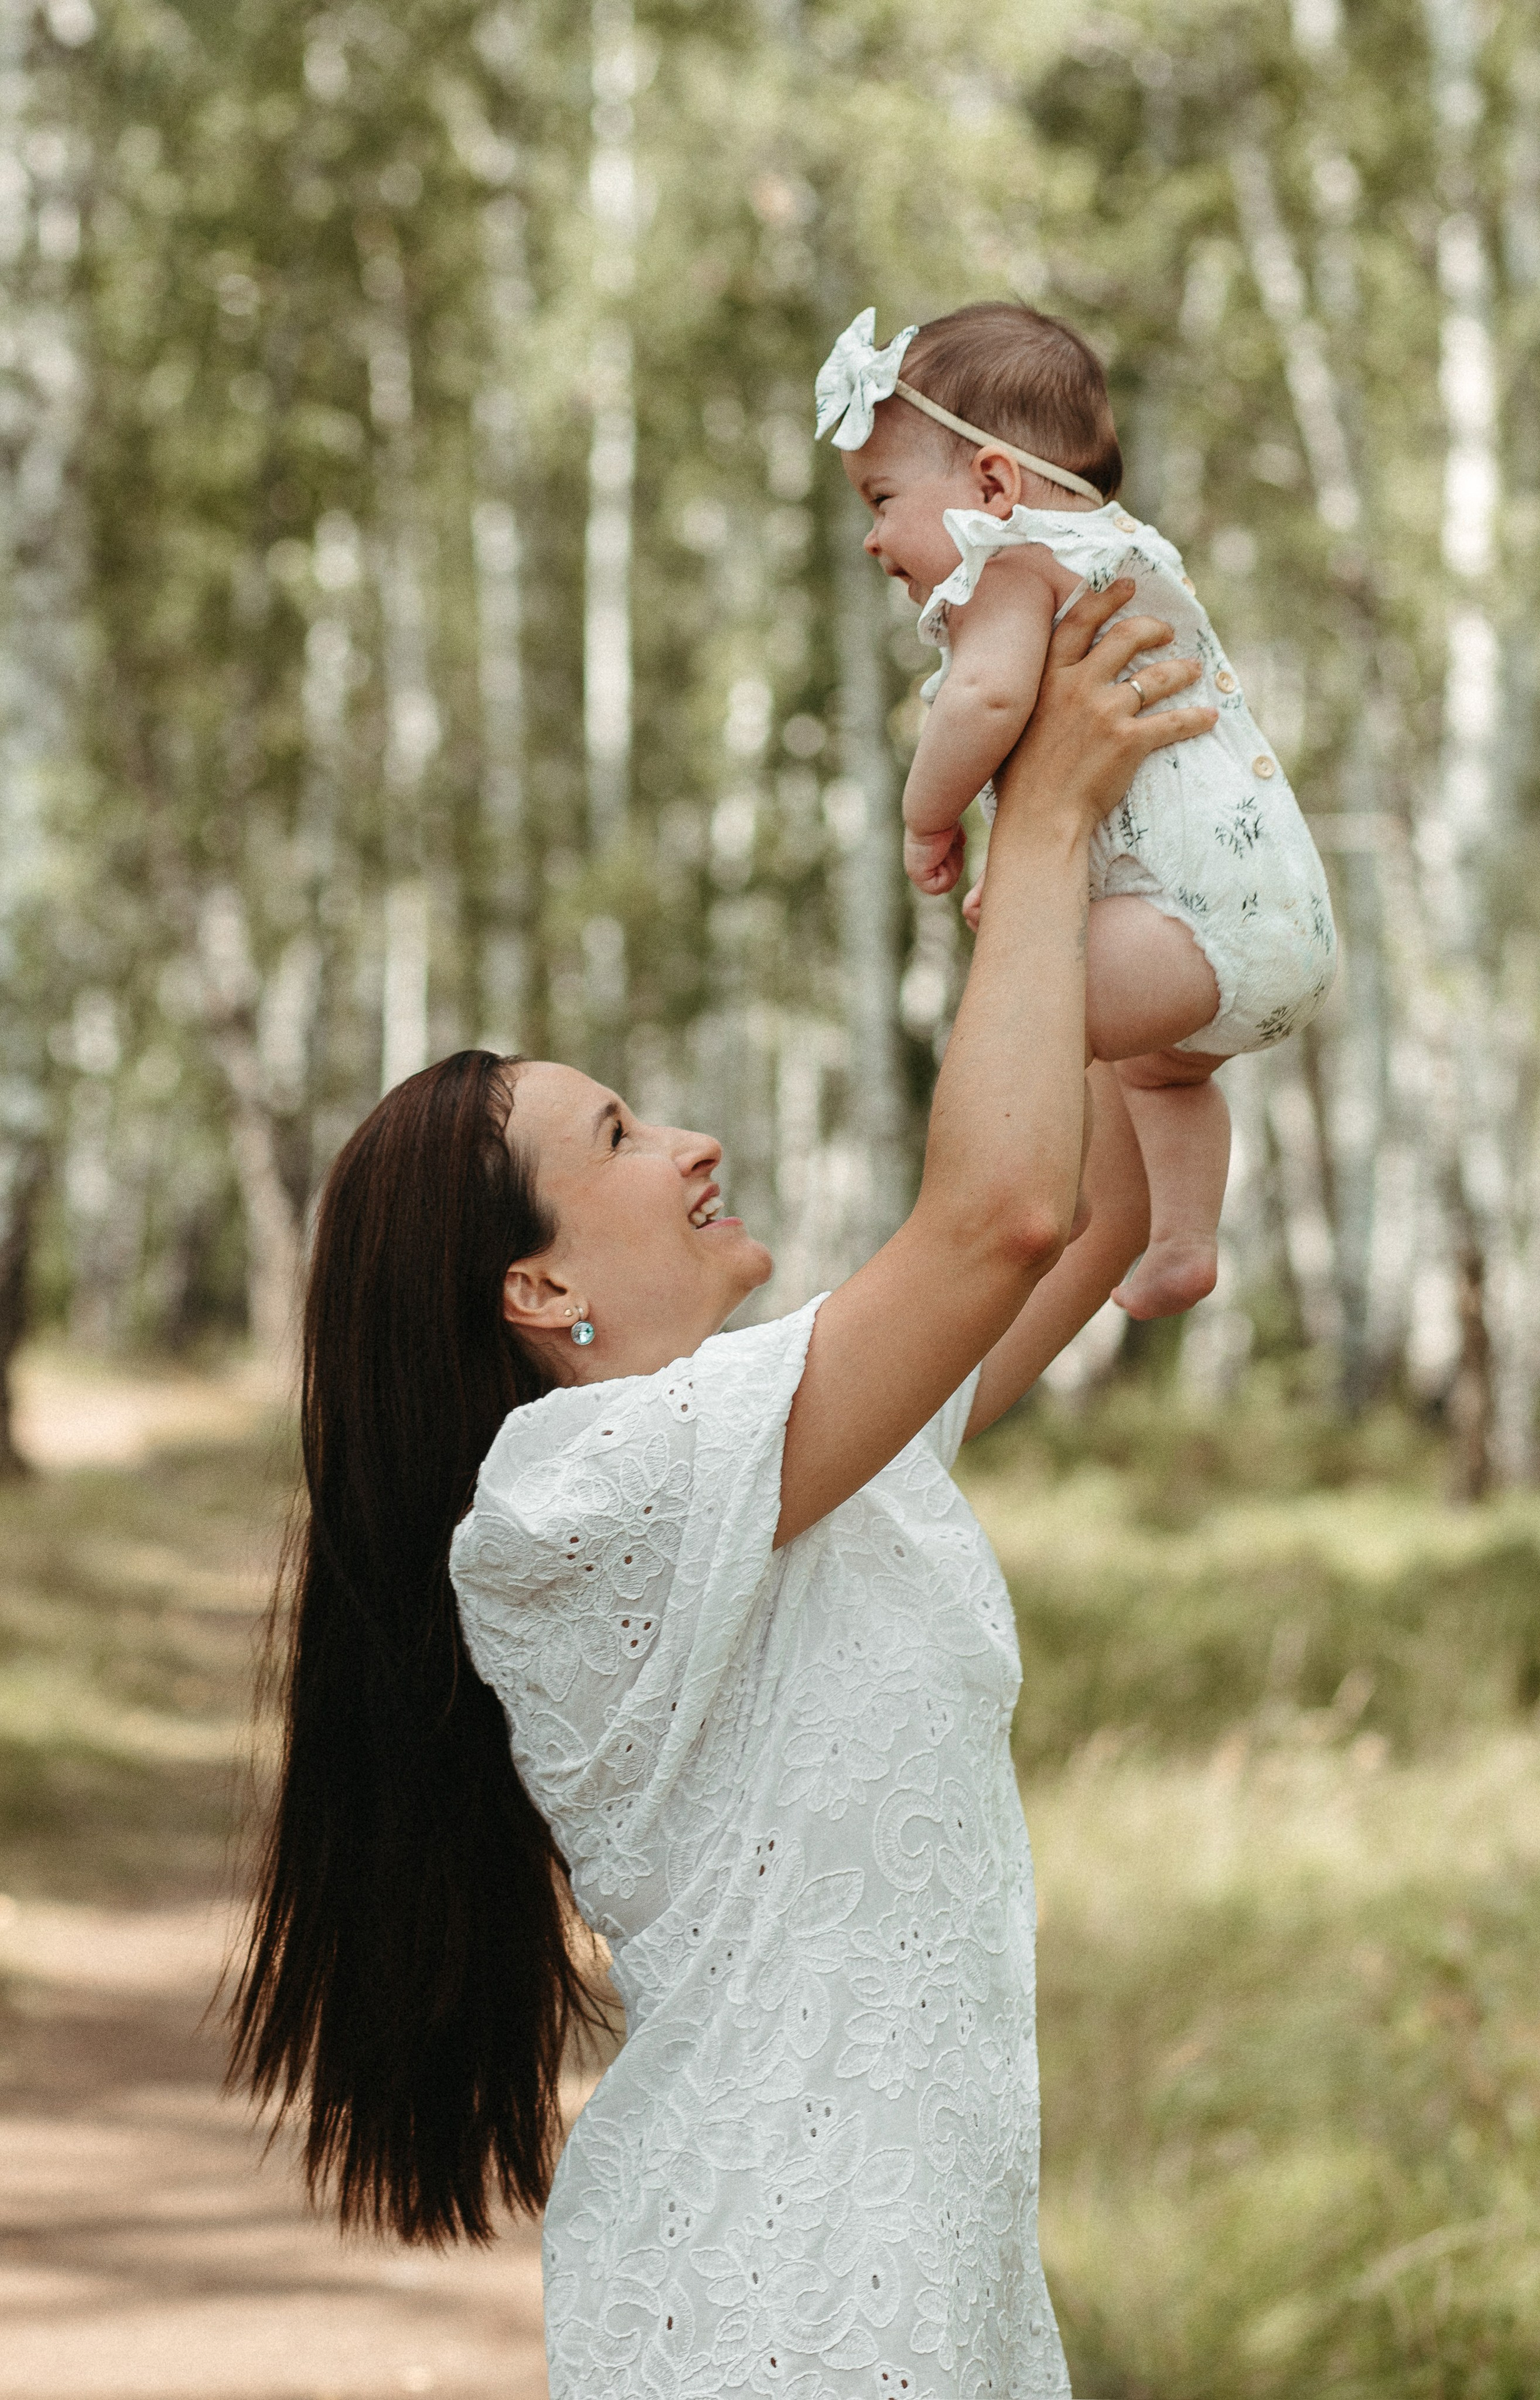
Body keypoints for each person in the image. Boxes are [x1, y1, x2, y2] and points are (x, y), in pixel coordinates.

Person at [227, 579, 1216, 2398]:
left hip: (931, 2277)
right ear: (535, 1290)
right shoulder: (574, 1500)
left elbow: (1095, 1211)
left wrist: (1137, 928)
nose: (690, 1142)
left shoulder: (795, 1441)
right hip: (779, 2301)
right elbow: (995, 1216)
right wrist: (1054, 808)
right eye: (619, 1133)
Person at [816, 301, 1338, 1321]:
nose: (874, 540)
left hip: (1184, 924)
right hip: (1276, 920)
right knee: (1164, 1077)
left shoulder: (1010, 566)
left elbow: (988, 702)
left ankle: (1009, 1219)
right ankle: (1183, 1240)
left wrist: (928, 819)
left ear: (992, 485)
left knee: (1021, 1015)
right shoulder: (1124, 552)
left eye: (881, 499)